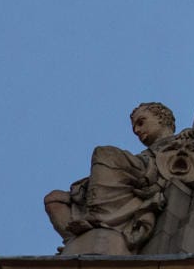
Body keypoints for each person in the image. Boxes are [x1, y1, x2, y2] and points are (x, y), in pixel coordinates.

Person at [44, 102, 176, 255]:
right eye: (134, 128)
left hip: (147, 176)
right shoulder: (140, 156)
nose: (138, 130)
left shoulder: (181, 141)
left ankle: (96, 217)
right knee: (54, 199)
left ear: (161, 118)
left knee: (104, 153)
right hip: (132, 178)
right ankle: (76, 239)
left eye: (141, 122)